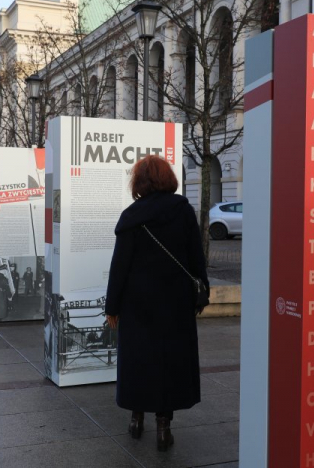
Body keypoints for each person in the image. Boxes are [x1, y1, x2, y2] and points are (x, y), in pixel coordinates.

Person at [105, 155, 208, 452]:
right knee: (170, 363)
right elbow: (195, 257)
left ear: (139, 182)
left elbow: (120, 267)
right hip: (175, 303)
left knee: (139, 361)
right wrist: (203, 291)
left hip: (138, 304)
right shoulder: (183, 211)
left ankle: (137, 419)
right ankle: (164, 427)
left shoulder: (131, 216)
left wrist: (112, 306)